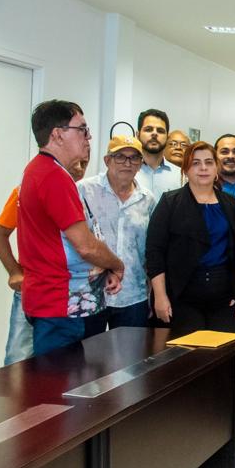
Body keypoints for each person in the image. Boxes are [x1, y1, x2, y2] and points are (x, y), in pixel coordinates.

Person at [18, 100, 124, 355]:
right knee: (60, 389)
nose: (88, 137)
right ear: (57, 134)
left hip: (62, 303)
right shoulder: (52, 177)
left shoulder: (45, 171)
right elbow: (85, 246)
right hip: (60, 306)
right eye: (82, 129)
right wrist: (116, 264)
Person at [0, 159, 89, 366]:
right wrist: (14, 272)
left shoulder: (84, 198)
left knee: (61, 365)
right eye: (76, 162)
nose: (79, 168)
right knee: (18, 358)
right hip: (33, 286)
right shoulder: (26, 191)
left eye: (85, 163)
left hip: (68, 290)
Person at [145, 141, 235, 336]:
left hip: (223, 295)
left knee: (225, 354)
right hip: (181, 293)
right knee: (188, 356)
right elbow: (154, 251)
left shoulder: (229, 203)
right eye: (196, 163)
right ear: (186, 169)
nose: (203, 168)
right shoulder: (169, 202)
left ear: (216, 167)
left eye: (209, 162)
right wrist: (160, 295)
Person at [77, 136, 158, 329]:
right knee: (86, 356)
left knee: (130, 356)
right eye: (120, 157)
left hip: (133, 295)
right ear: (107, 160)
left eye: (134, 158)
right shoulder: (84, 190)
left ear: (141, 163)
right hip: (89, 293)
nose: (127, 163)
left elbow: (151, 249)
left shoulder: (147, 200)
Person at [136, 109, 181, 196]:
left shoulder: (180, 177)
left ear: (167, 138)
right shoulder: (127, 172)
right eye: (148, 129)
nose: (154, 133)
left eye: (160, 131)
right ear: (137, 135)